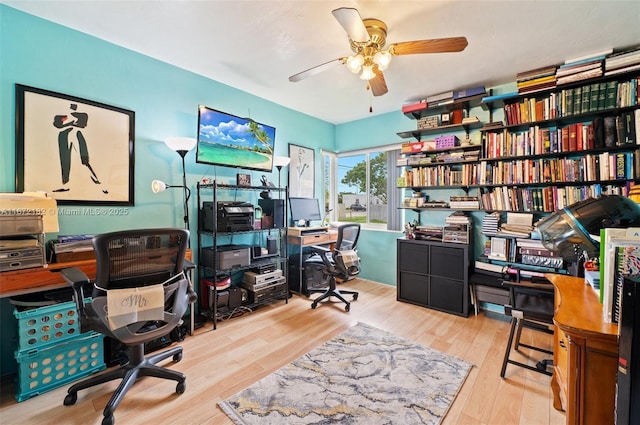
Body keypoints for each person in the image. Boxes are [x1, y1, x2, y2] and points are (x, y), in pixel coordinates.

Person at [52, 103, 107, 193]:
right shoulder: (64, 116)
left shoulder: (81, 115)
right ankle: (65, 183)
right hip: (64, 135)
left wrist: (69, 121)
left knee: (83, 160)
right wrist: (68, 121)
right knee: (65, 161)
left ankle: (96, 180)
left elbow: (82, 123)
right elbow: (57, 123)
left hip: (74, 134)